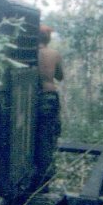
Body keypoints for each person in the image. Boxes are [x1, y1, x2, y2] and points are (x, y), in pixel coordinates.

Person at [35, 24, 63, 188]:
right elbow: (60, 76)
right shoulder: (54, 54)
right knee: (47, 136)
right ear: (48, 38)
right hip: (48, 97)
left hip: (31, 99)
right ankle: (45, 178)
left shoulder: (28, 54)